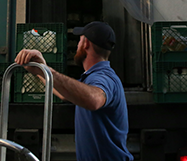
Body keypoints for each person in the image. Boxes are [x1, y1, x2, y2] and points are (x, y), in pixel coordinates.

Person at [15, 21, 133, 161]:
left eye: (79, 40)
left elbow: (94, 99)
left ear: (86, 44)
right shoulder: (92, 77)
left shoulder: (104, 77)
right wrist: (41, 70)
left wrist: (46, 70)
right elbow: (66, 95)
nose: (77, 46)